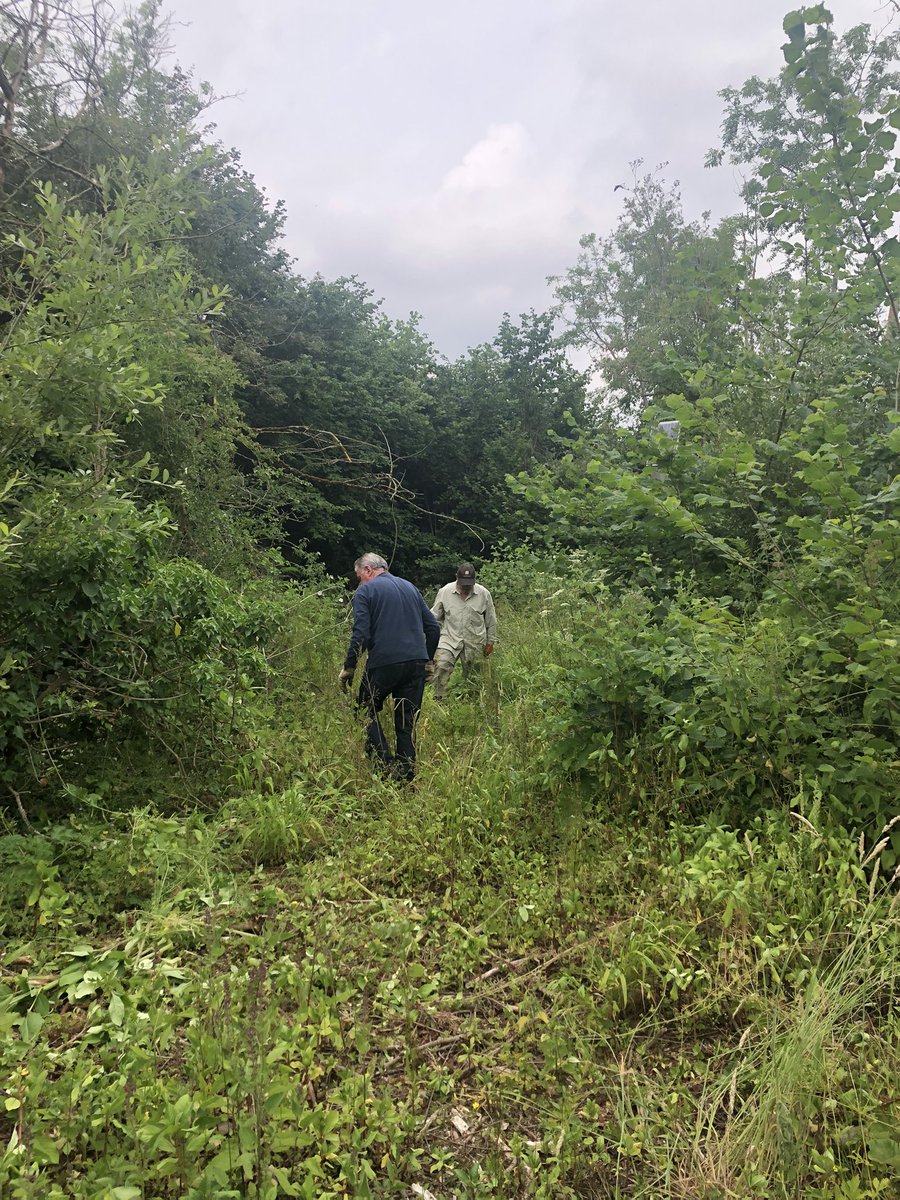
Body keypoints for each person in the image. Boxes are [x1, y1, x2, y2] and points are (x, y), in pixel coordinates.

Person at [338, 552, 440, 781]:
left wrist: (349, 667)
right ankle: (405, 775)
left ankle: (384, 766)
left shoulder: (366, 591)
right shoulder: (410, 588)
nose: (359, 582)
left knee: (364, 709)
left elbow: (361, 633)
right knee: (407, 720)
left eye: (358, 577)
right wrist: (427, 662)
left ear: (368, 570)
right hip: (415, 664)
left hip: (384, 662)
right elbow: (433, 628)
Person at [430, 562, 497, 701]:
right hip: (449, 638)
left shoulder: (484, 594)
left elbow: (491, 620)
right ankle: (438, 699)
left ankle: (473, 701)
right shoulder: (445, 592)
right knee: (441, 666)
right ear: (457, 578)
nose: (466, 587)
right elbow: (435, 617)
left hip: (475, 640)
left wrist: (490, 642)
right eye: (463, 583)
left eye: (469, 583)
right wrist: (430, 640)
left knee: (474, 675)